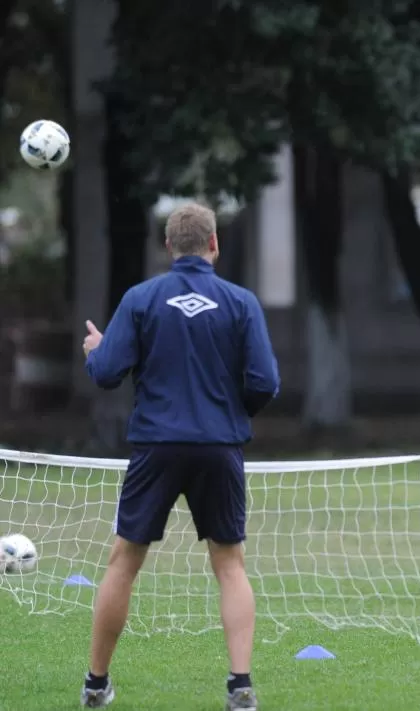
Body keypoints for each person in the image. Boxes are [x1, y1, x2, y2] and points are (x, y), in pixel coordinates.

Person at [79, 203, 280, 711]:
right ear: (214, 244)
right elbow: (265, 382)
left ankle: (95, 684)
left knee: (124, 561)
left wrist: (96, 349)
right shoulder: (240, 302)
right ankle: (240, 687)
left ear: (168, 248)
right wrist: (230, 411)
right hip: (219, 446)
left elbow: (106, 374)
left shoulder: (142, 298)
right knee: (230, 564)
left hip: (156, 445)